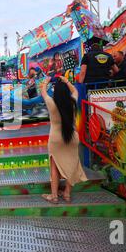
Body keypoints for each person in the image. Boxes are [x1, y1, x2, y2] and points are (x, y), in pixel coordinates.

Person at [39, 76, 88, 204]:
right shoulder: (72, 101)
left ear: (55, 92)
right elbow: (75, 91)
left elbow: (43, 91)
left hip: (55, 139)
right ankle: (67, 194)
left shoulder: (51, 103)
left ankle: (54, 196)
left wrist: (46, 81)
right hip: (72, 138)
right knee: (72, 164)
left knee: (54, 167)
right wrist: (66, 81)